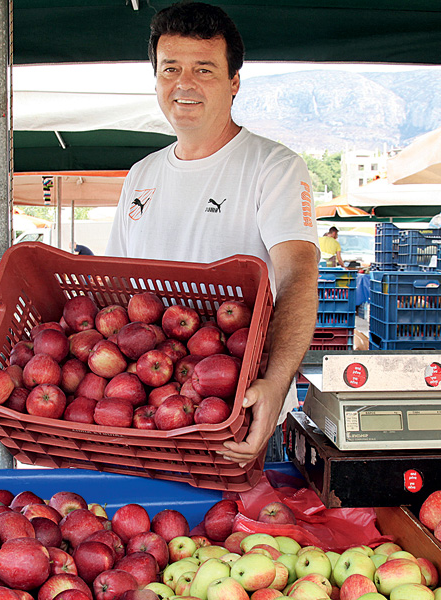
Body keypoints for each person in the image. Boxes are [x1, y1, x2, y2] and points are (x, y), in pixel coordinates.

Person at [106, 2, 319, 465]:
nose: (184, 83)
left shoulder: (274, 167)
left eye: (203, 69)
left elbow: (299, 276)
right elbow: (116, 293)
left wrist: (276, 383)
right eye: (170, 69)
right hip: (147, 416)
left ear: (234, 81)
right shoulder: (141, 175)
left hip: (239, 415)